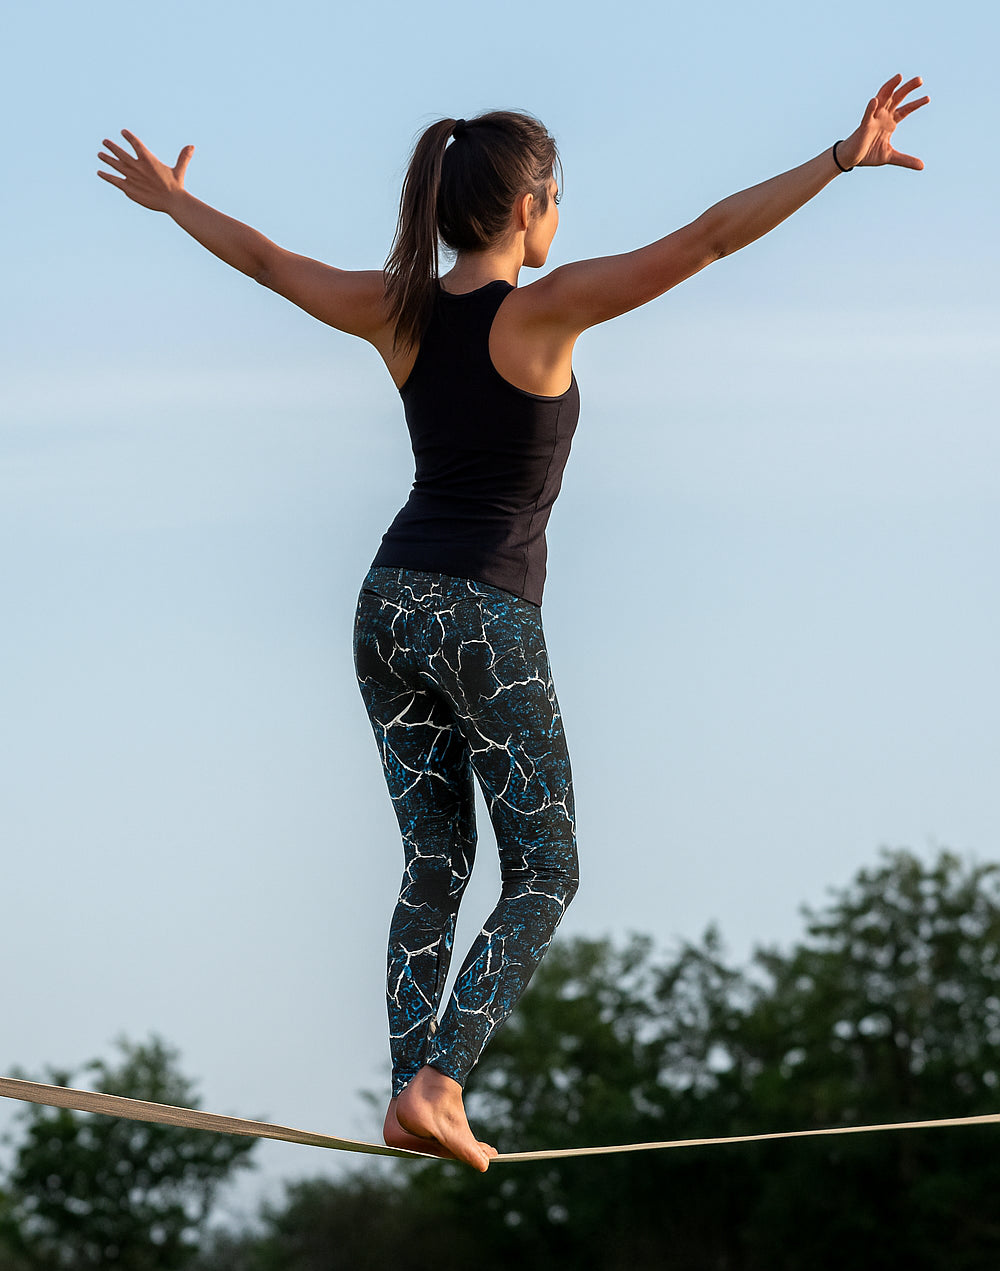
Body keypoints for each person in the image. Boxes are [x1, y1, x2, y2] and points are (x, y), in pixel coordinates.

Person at [98, 74, 929, 1172]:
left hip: (386, 604)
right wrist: (834, 159)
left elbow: (264, 260)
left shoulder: (393, 307)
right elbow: (710, 240)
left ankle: (408, 1089)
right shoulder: (542, 311)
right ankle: (441, 1084)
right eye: (560, 198)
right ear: (532, 205)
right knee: (544, 871)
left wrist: (174, 205)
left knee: (433, 858)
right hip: (480, 613)